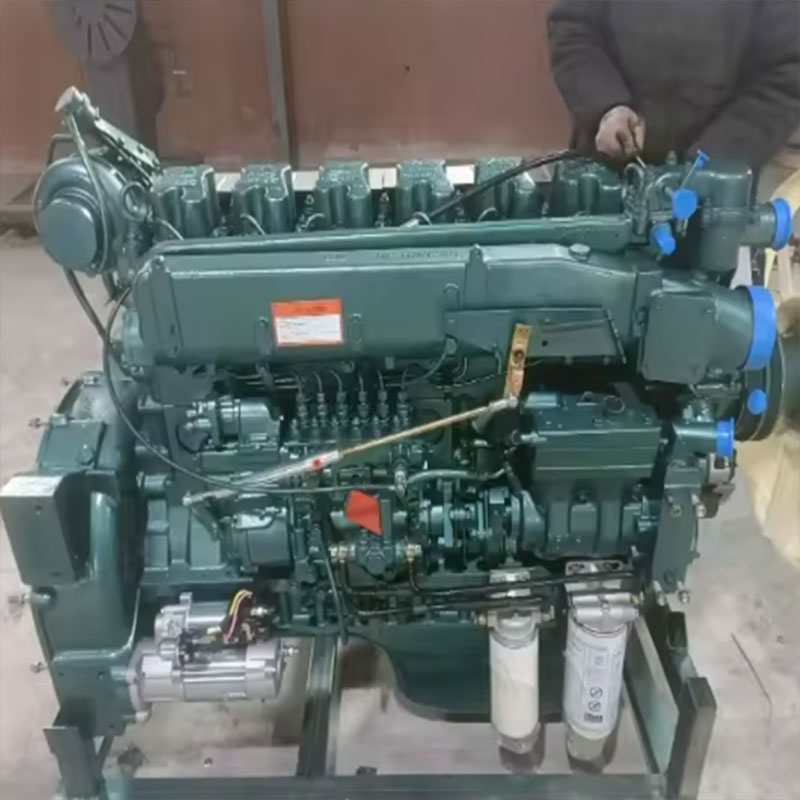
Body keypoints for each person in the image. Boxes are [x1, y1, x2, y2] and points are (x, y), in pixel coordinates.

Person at [547, 0, 800, 168]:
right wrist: (607, 107)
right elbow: (574, 30)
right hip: (604, 174)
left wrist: (712, 158)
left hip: (716, 193)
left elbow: (786, 75)